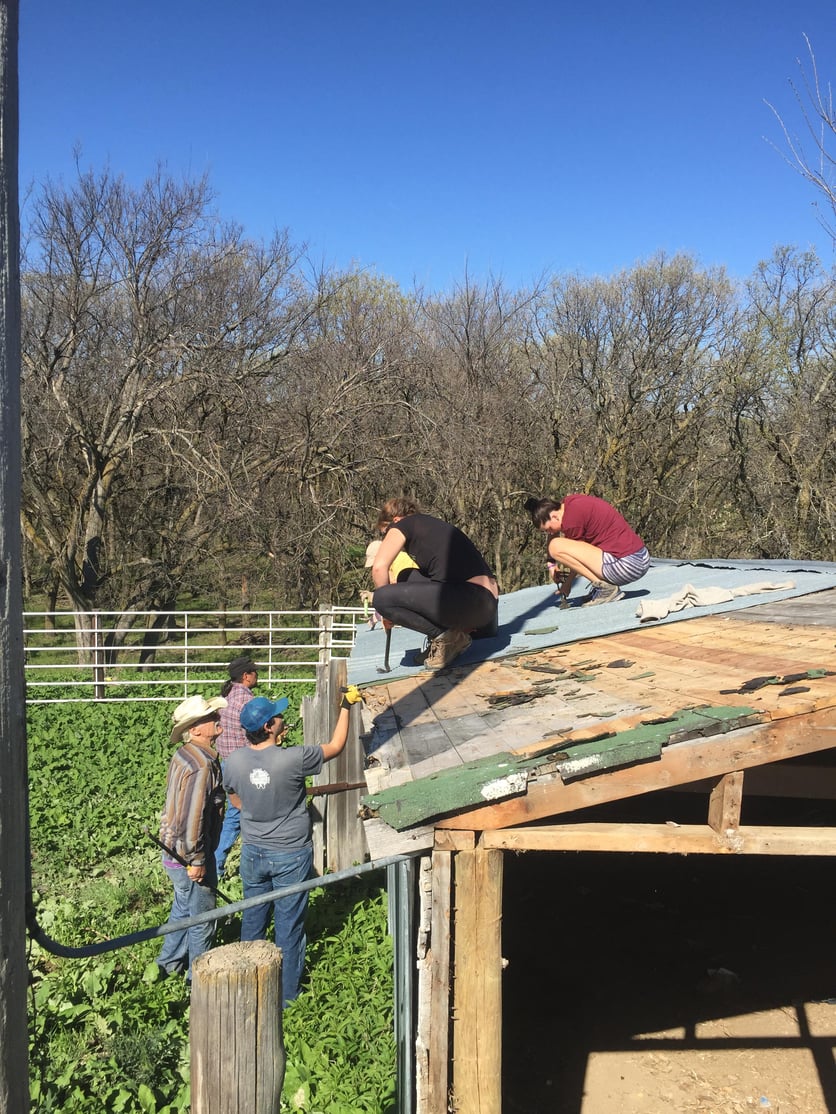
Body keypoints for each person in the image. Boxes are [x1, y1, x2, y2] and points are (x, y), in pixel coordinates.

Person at [223, 687, 364, 1006]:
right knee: (289, 925)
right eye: (278, 715)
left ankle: (248, 986)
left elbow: (234, 797)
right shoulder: (293, 758)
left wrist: (253, 808)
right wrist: (345, 706)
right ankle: (287, 997)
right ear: (270, 726)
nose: (282, 716)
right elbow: (337, 746)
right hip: (290, 853)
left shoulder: (233, 762)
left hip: (253, 852)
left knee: (253, 918)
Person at [371, 496, 499, 669]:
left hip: (474, 600)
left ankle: (448, 638)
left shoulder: (403, 525)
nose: (385, 538)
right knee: (406, 575)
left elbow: (379, 568)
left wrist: (386, 612)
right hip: (484, 608)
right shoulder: (429, 529)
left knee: (381, 598)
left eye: (384, 533)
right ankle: (448, 636)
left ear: (395, 520)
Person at [157, 694, 227, 979]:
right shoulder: (202, 765)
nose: (216, 719)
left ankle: (168, 965)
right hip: (189, 853)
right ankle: (199, 978)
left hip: (172, 847)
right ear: (196, 729)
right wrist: (197, 859)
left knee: (183, 908)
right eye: (210, 718)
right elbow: (194, 815)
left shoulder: (184, 754)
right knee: (201, 919)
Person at [525, 494, 650, 606]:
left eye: (548, 529)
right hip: (640, 557)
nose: (549, 533)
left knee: (555, 546)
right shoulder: (570, 502)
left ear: (554, 516)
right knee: (555, 544)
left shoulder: (571, 522)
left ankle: (605, 589)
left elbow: (577, 560)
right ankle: (602, 587)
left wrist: (567, 584)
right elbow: (557, 534)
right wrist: (551, 564)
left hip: (629, 565)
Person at [214, 656, 265, 878]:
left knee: (233, 812)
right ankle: (217, 864)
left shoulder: (225, 698)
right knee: (238, 815)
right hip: (244, 765)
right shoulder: (246, 702)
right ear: (246, 676)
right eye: (254, 672)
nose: (257, 675)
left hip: (227, 763)